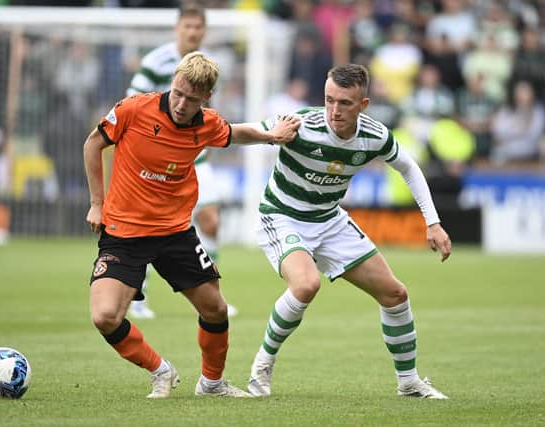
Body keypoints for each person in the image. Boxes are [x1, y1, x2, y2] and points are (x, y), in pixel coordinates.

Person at [84, 51, 299, 398]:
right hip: (124, 234)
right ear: (173, 82)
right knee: (105, 316)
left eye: (192, 99)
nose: (182, 104)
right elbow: (93, 144)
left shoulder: (207, 123)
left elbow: (234, 133)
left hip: (174, 233)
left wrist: (272, 136)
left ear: (206, 98)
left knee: (215, 309)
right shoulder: (133, 109)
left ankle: (212, 384)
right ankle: (160, 371)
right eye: (178, 93)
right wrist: (97, 203)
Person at [246, 64, 451, 399]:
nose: (334, 111)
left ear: (363, 105)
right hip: (283, 216)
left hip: (329, 220)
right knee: (306, 284)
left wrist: (432, 221)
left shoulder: (374, 135)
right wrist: (269, 135)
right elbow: (242, 132)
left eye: (344, 103)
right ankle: (261, 368)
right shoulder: (300, 124)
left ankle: (409, 382)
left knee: (395, 294)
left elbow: (409, 167)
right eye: (329, 100)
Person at [126, 3, 237, 319]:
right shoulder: (156, 61)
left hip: (195, 157)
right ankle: (136, 297)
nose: (192, 32)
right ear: (178, 28)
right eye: (187, 26)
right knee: (150, 226)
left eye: (198, 27)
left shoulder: (208, 65)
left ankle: (212, 296)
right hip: (159, 159)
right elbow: (131, 101)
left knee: (211, 221)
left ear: (204, 31)